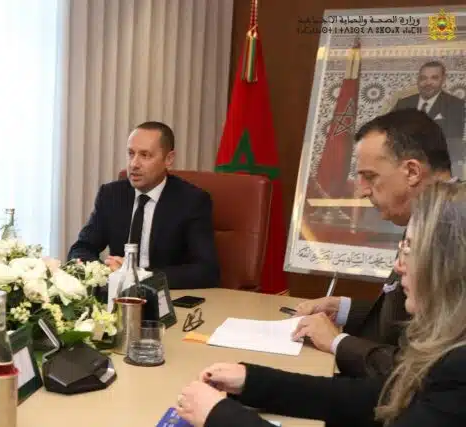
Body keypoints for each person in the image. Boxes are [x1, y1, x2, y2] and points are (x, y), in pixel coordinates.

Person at [176, 180, 466, 427]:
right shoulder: (448, 345)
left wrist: (221, 417)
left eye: (410, 248)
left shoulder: (458, 369)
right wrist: (251, 381)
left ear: (449, 264)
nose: (398, 265)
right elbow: (374, 397)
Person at [293, 109, 453, 379]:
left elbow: (421, 369)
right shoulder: (432, 214)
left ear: (412, 171)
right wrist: (342, 308)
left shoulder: (453, 230)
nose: (361, 190)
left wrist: (337, 342)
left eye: (370, 177)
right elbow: (408, 321)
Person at [67, 121, 220, 289]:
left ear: (169, 159)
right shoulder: (111, 195)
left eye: (145, 155)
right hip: (119, 296)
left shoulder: (191, 201)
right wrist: (105, 272)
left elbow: (206, 271)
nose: (134, 164)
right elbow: (81, 249)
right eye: (131, 153)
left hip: (165, 297)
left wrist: (141, 277)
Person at [392, 61, 465, 142]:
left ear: (443, 80)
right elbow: (389, 133)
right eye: (423, 78)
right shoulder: (402, 104)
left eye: (434, 78)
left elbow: (454, 141)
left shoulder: (456, 106)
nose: (428, 83)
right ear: (418, 80)